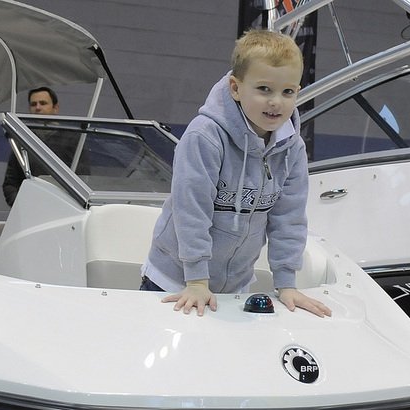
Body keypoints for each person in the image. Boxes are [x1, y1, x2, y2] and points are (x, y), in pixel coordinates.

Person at [140, 30, 331, 318]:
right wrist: (196, 280)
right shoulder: (204, 136)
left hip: (235, 286)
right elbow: (191, 210)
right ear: (235, 88)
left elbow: (289, 218)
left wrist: (286, 284)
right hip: (175, 282)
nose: (276, 102)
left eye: (287, 91)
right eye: (264, 89)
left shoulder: (292, 147)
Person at [2, 86, 88, 206]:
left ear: (55, 108)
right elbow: (10, 183)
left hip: (64, 209)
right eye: (33, 104)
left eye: (43, 103)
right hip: (30, 211)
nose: (38, 107)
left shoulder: (72, 139)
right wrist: (22, 205)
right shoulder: (22, 140)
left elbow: (83, 179)